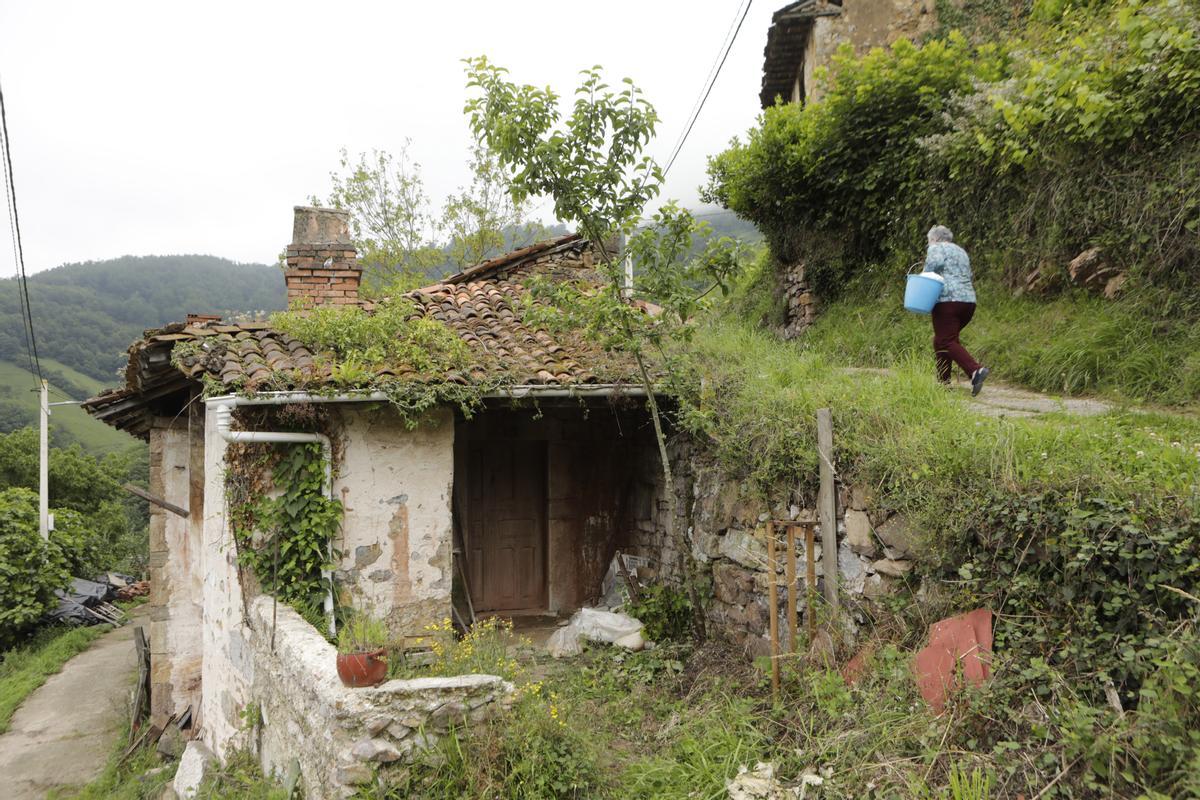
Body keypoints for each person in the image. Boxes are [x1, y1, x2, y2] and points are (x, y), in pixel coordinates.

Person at [923, 225, 988, 395]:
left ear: (935, 239)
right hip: (968, 302)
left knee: (945, 341)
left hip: (947, 301)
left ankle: (975, 370)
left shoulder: (936, 248)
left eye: (929, 241)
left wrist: (923, 276)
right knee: (942, 340)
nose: (929, 245)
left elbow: (933, 265)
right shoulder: (960, 251)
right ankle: (943, 383)